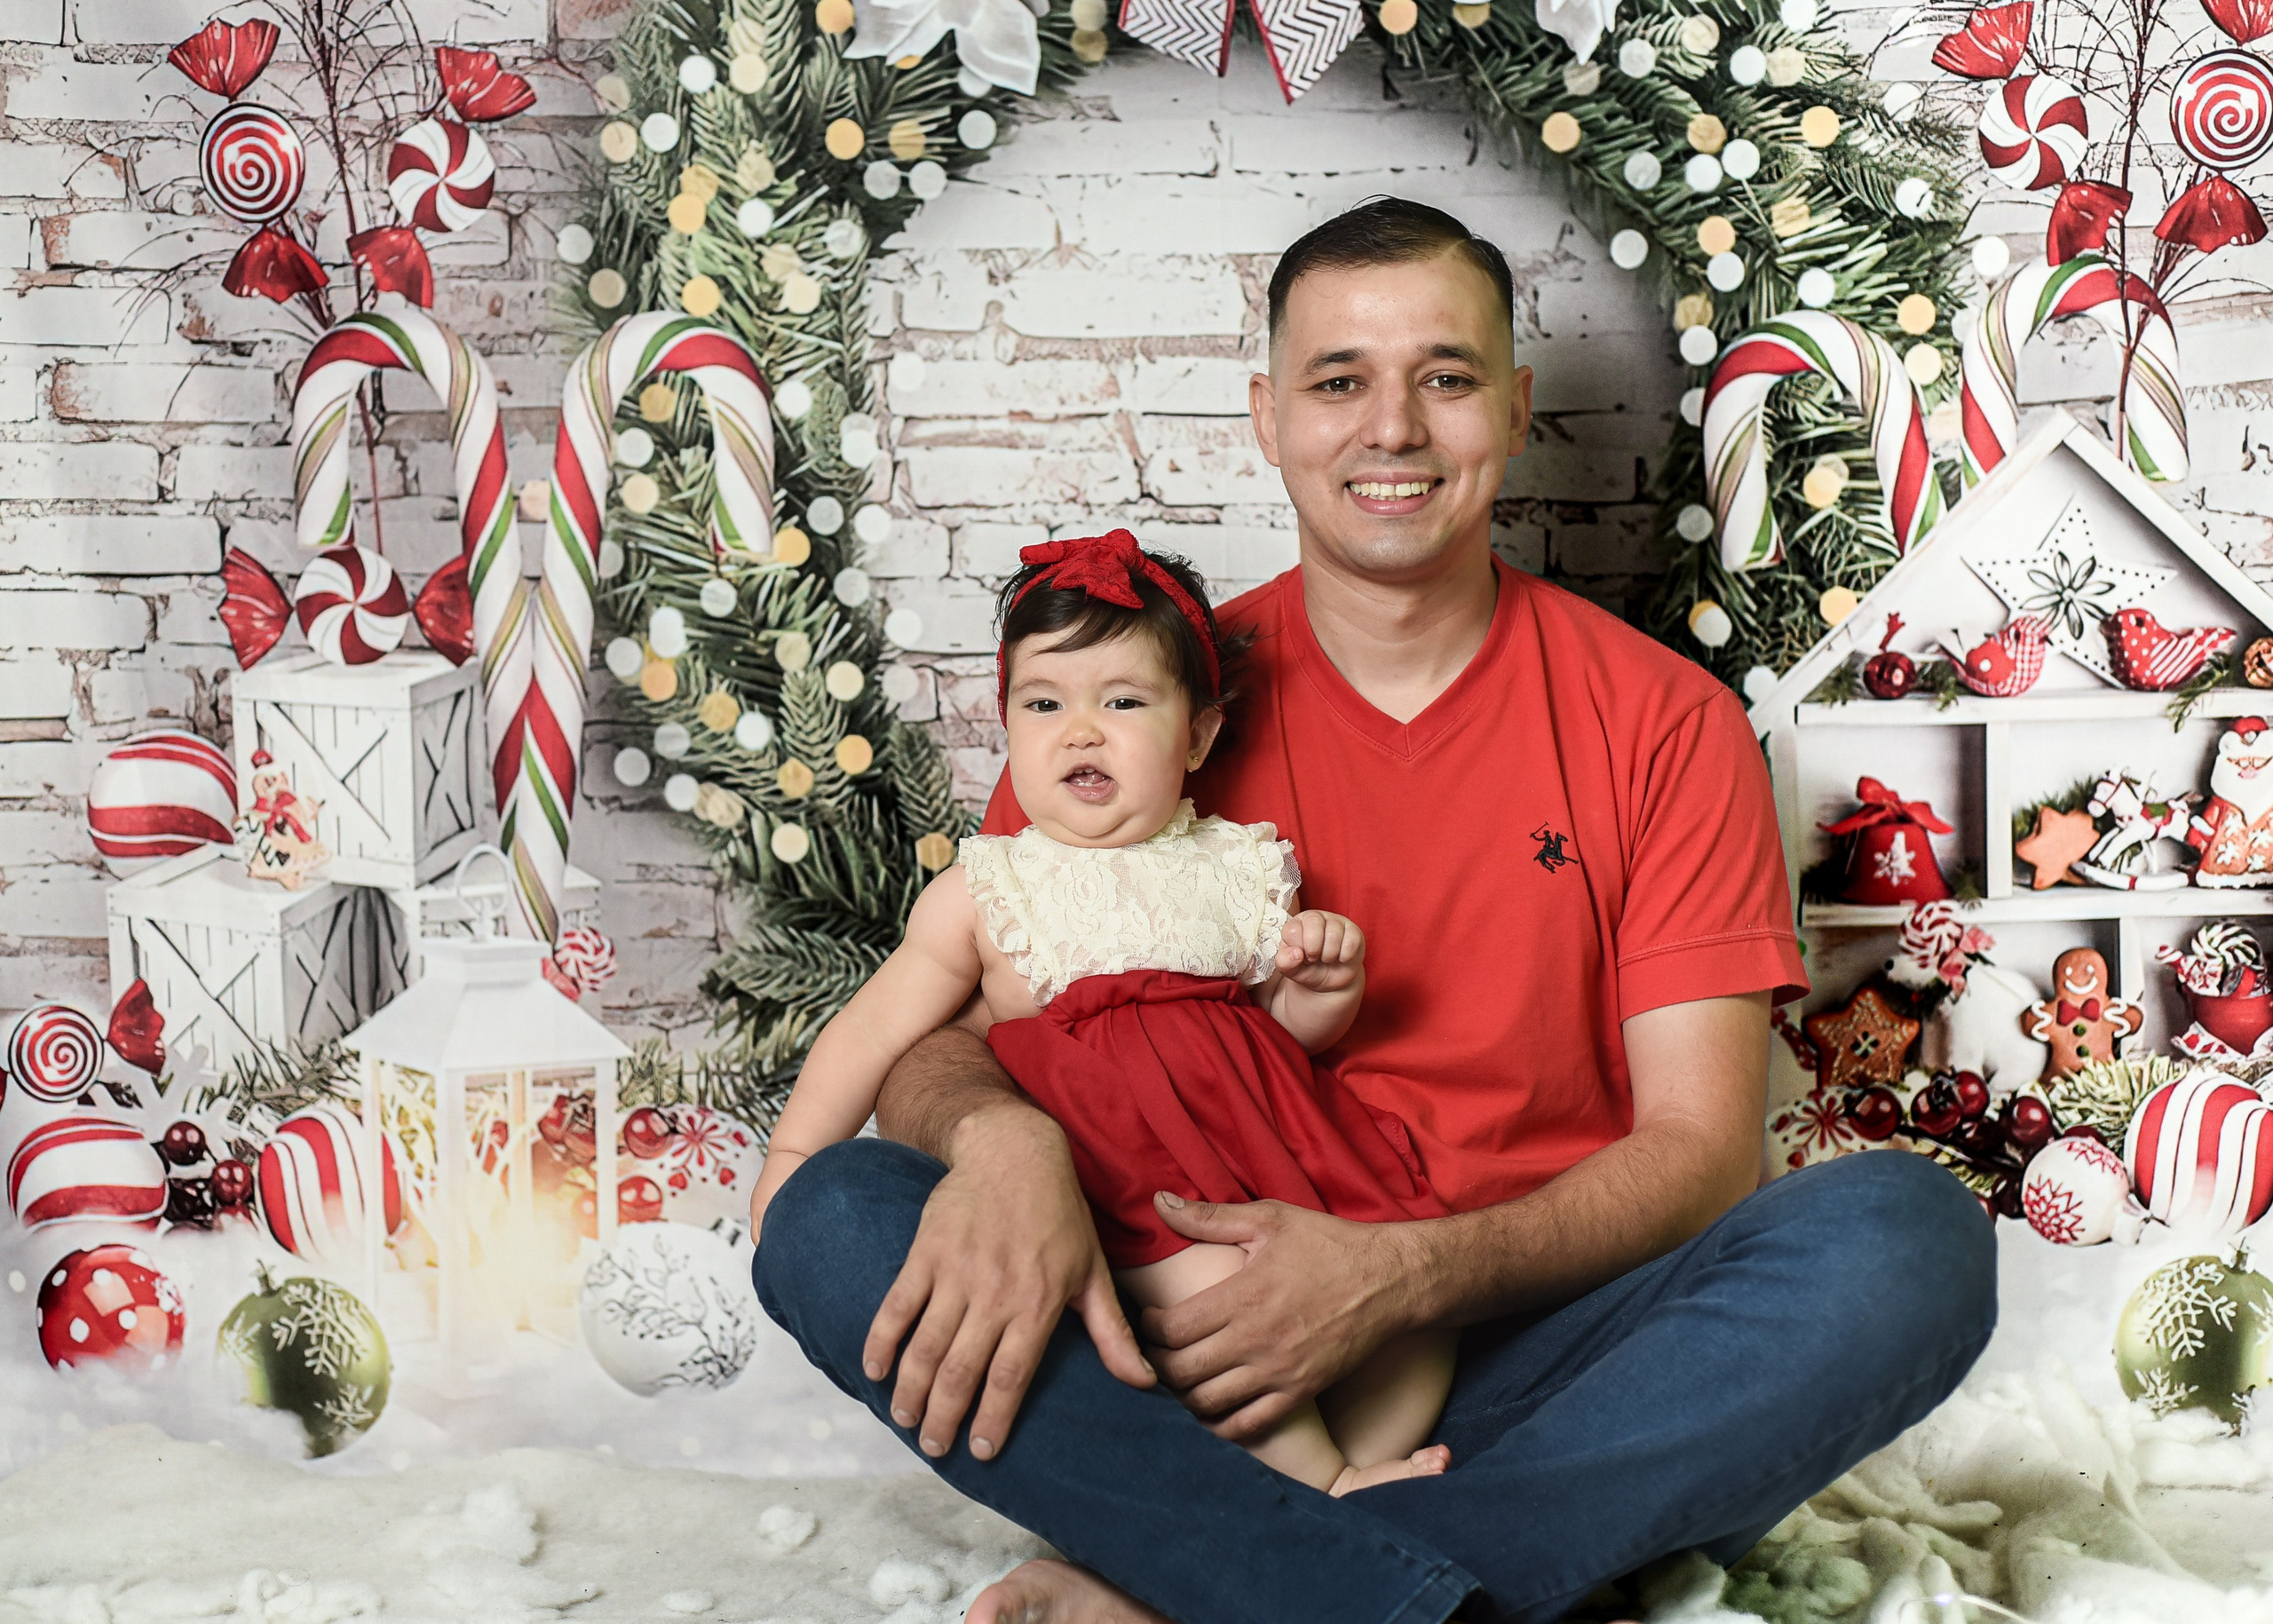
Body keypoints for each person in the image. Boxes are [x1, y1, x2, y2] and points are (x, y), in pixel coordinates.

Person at [755, 196, 1999, 1624]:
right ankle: (1369, 1574)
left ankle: (1217, 1577)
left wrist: (1397, 1276)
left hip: (1541, 1358)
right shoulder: (1143, 698)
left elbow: (1699, 1152)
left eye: (1447, 377)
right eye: (1340, 381)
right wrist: (1004, 1139)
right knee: (834, 1219)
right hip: (1174, 1334)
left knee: (1908, 1240)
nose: (1392, 428)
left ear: (1516, 407)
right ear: (1269, 417)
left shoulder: (1663, 721)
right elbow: (945, 1019)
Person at [752, 531, 1463, 1497]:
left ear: (1199, 736)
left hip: (1282, 1154)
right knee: (1224, 1312)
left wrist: (1320, 986)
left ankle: (1366, 1463)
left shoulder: (1237, 861)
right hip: (1136, 1187)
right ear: (1004, 724)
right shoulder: (989, 885)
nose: (1080, 731)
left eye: (1122, 701)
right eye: (1044, 704)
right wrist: (792, 1160)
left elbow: (1275, 1036)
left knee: (1415, 1324)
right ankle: (1320, 1487)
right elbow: (875, 1030)